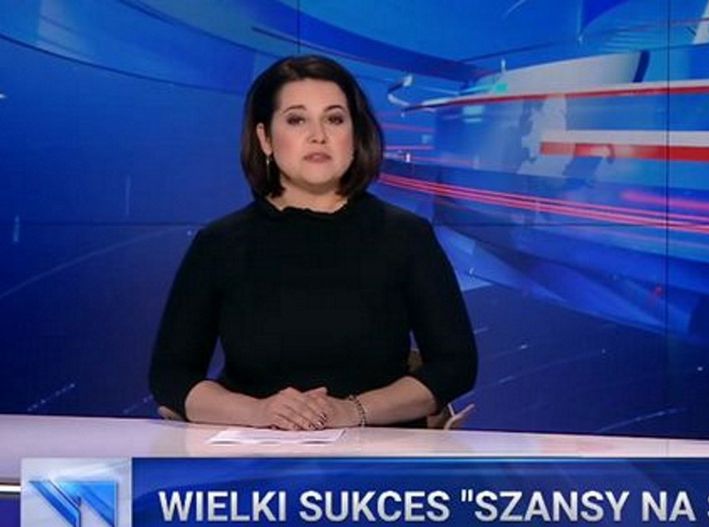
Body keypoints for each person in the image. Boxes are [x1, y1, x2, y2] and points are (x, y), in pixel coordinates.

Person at [149, 55, 477, 430]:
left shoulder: (406, 236)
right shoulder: (220, 244)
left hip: (380, 451)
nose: (318, 135)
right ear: (265, 138)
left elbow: (454, 366)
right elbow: (171, 375)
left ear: (356, 135)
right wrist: (259, 412)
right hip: (253, 453)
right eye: (296, 120)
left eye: (334, 119)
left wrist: (352, 411)